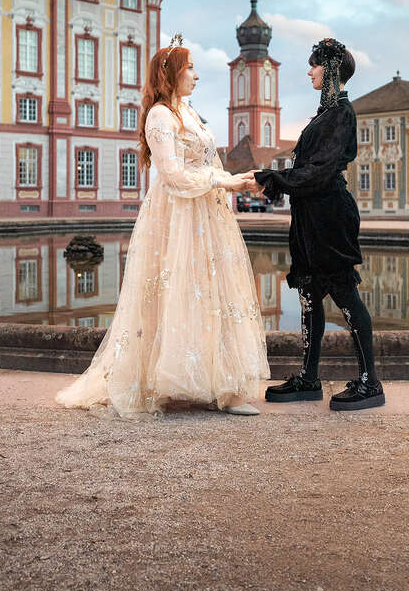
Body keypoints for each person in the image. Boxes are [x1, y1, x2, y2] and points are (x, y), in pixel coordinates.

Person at [56, 36, 269, 418]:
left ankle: (222, 386)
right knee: (175, 293)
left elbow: (209, 163)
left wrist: (237, 178)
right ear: (172, 73)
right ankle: (164, 381)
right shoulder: (160, 116)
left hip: (206, 216)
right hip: (178, 216)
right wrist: (226, 182)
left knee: (210, 293)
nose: (197, 76)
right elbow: (171, 174)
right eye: (190, 69)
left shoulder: (187, 112)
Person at [252, 38, 385, 411]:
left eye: (313, 65)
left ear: (329, 70)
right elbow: (307, 170)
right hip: (310, 216)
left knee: (345, 296)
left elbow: (322, 171)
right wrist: (273, 178)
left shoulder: (342, 112)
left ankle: (369, 382)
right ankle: (309, 379)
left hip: (330, 216)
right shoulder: (324, 114)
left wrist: (278, 180)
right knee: (310, 299)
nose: (309, 71)